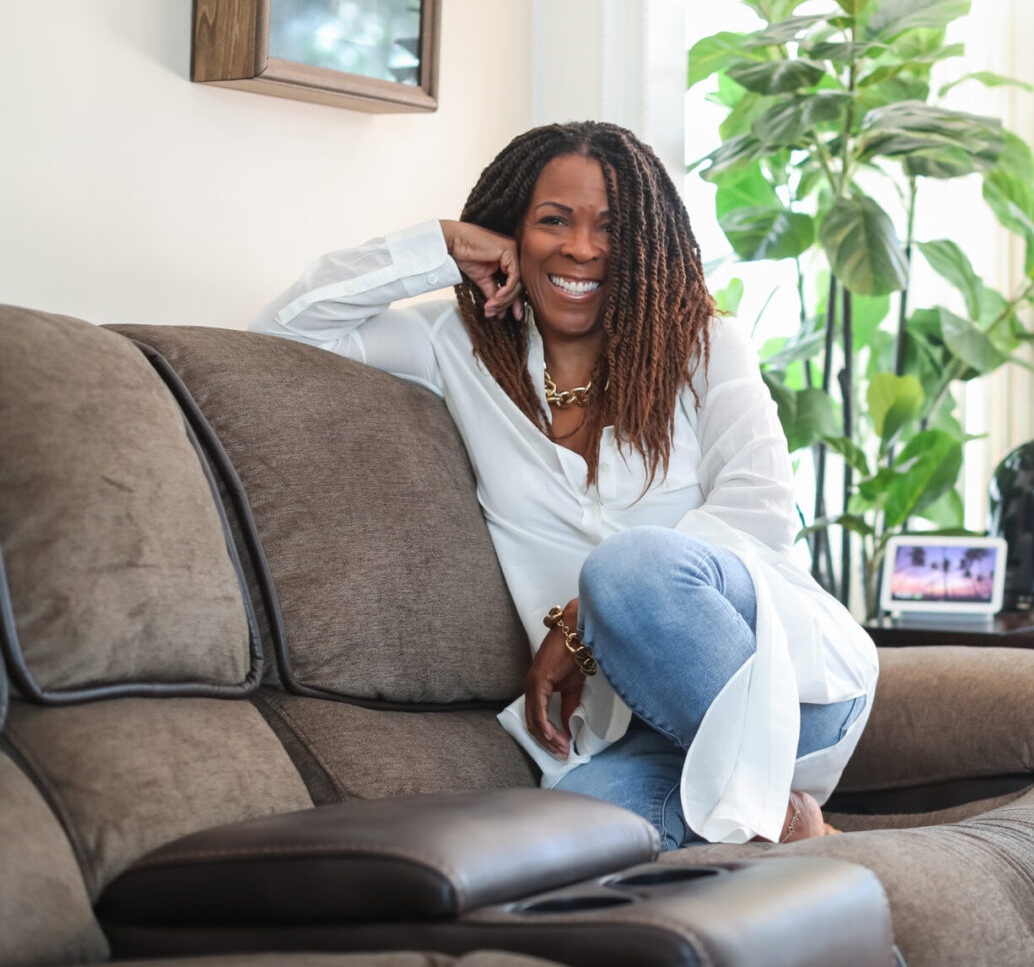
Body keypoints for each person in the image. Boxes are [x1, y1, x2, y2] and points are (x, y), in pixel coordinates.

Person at [251, 121, 879, 849]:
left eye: (610, 228)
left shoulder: (703, 344)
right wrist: (444, 245)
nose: (582, 249)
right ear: (513, 229)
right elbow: (284, 334)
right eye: (554, 221)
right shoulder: (452, 347)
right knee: (558, 845)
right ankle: (780, 819)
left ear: (643, 243)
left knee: (630, 568)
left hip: (779, 687)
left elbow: (761, 513)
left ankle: (768, 797)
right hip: (627, 736)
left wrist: (585, 622)